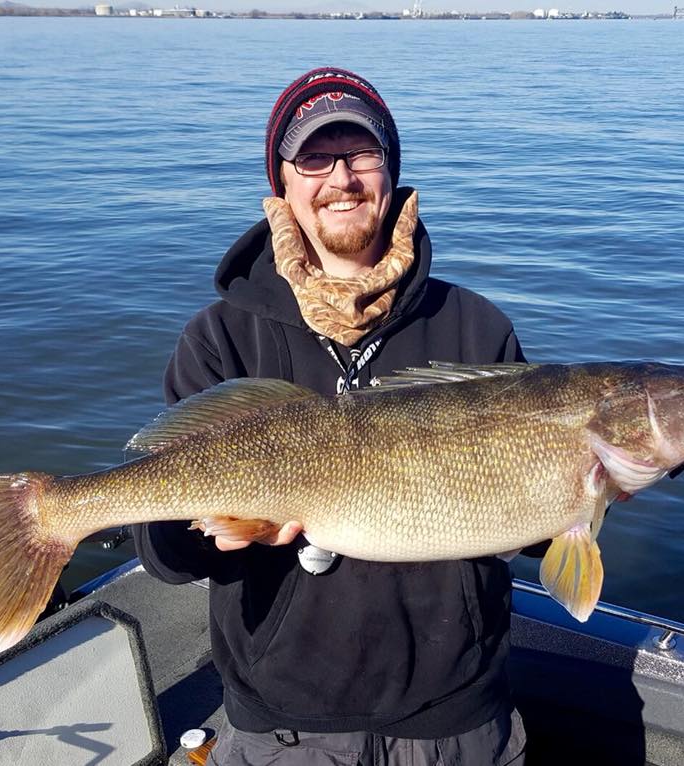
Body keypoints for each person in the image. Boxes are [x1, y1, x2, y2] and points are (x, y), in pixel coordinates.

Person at [134, 67, 529, 765]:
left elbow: (537, 540)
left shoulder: (476, 328)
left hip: (457, 715)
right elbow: (163, 557)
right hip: (283, 720)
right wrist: (209, 532)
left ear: (391, 170)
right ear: (283, 183)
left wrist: (602, 480)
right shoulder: (221, 338)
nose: (341, 177)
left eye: (362, 154)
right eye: (315, 157)